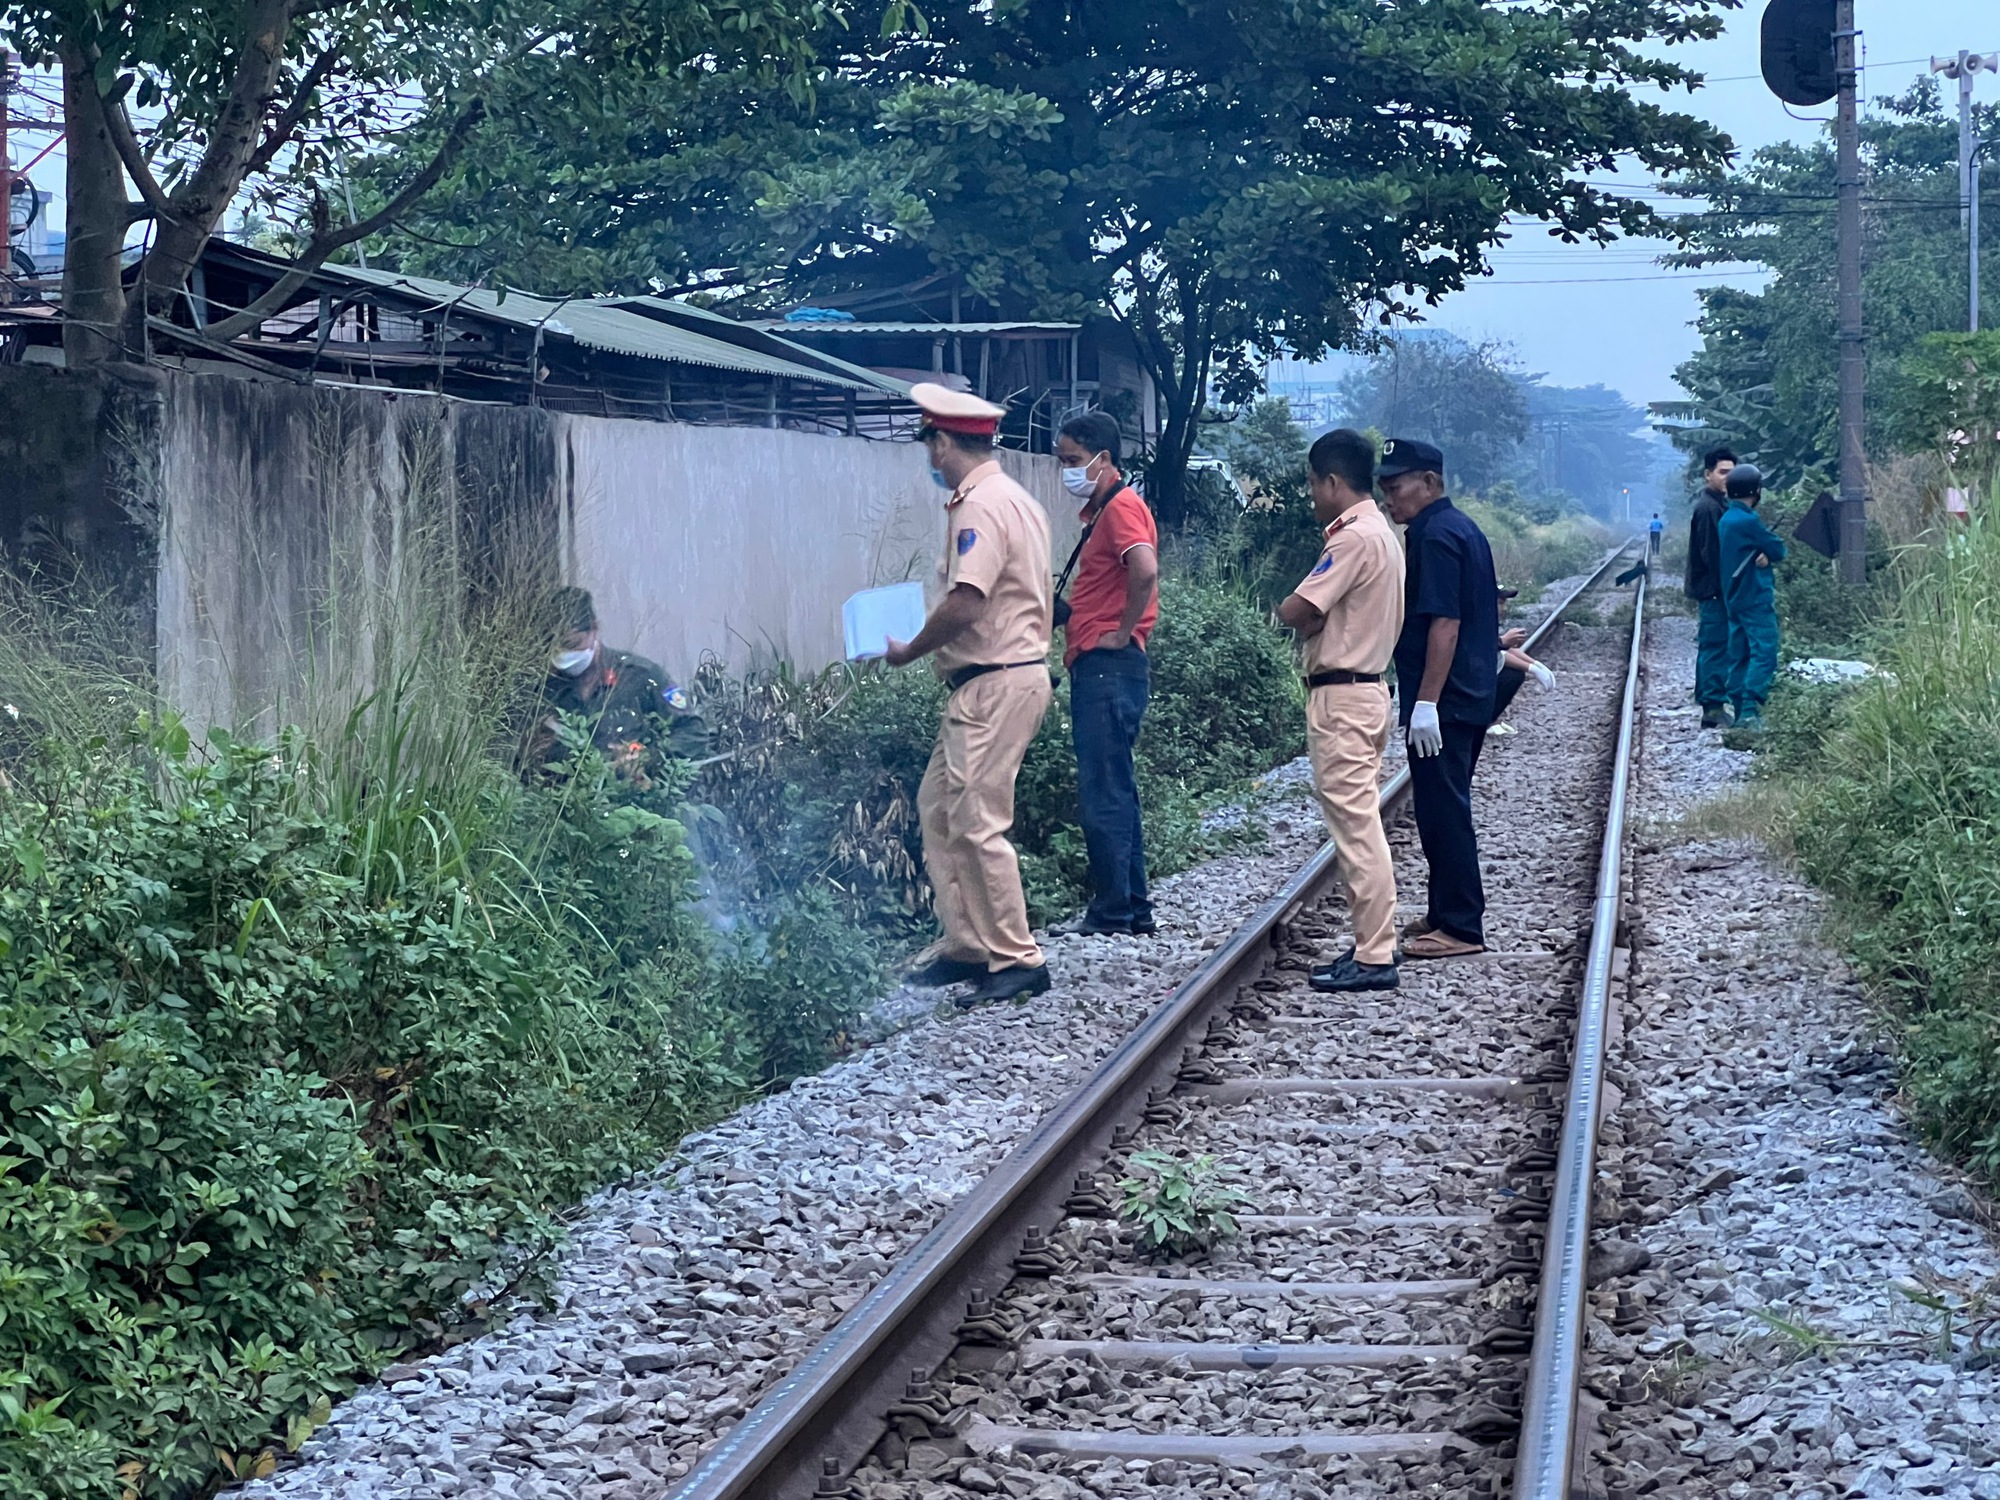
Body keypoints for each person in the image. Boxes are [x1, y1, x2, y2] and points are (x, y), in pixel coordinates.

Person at [887, 383, 1056, 1006]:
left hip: (993, 681)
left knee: (978, 821)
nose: (929, 458)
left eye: (930, 443)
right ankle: (968, 943)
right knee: (939, 806)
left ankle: (1016, 958)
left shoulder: (978, 506)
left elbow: (968, 600)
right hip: (1000, 679)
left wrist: (910, 648)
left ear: (941, 442)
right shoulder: (1014, 498)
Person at [1275, 429, 1405, 993]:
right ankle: (1370, 945)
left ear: (1332, 481)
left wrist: (1303, 614)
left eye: (1312, 483)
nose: (1310, 494)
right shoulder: (1385, 533)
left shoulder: (1352, 540)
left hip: (1344, 696)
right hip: (1368, 689)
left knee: (1356, 827)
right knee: (1361, 821)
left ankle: (1376, 954)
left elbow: (1297, 608)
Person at [1380, 438, 1501, 961]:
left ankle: (1461, 926)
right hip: (1467, 691)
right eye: (1383, 488)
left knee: (1442, 809)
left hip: (1447, 700)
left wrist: (1425, 702)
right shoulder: (1459, 527)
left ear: (1429, 482)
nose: (1389, 498)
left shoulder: (1433, 536)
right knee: (1439, 805)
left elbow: (1444, 622)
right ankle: (1444, 909)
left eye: (1396, 486)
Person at [1053, 410, 1160, 937]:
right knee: (1116, 786)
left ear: (1105, 460)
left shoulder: (1120, 510)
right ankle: (1132, 906)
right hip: (1106, 665)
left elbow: (1144, 569)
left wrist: (1120, 631)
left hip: (1107, 668)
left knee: (1103, 791)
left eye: (1073, 461)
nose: (1066, 471)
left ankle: (1113, 910)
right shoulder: (1106, 512)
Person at [530, 586, 708, 784]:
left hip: (634, 805)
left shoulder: (640, 677)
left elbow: (694, 731)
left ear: (594, 629)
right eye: (557, 645)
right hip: (566, 805)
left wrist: (649, 757)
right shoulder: (542, 689)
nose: (564, 654)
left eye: (573, 645)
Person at [1716, 462, 1787, 732]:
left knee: (1740, 653)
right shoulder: (1747, 520)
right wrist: (1767, 555)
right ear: (1755, 490)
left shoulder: (1727, 519)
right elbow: (1778, 549)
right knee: (1764, 652)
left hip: (1733, 597)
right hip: (1754, 597)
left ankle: (1737, 709)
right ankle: (1750, 710)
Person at [1683, 447, 1738, 729]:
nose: (1727, 478)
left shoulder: (1718, 505)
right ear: (1708, 475)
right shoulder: (1709, 508)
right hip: (1713, 590)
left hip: (1714, 589)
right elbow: (1712, 554)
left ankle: (1711, 702)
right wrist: (1726, 587)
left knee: (1715, 646)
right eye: (1722, 472)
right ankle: (1713, 707)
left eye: (1732, 473)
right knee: (1716, 646)